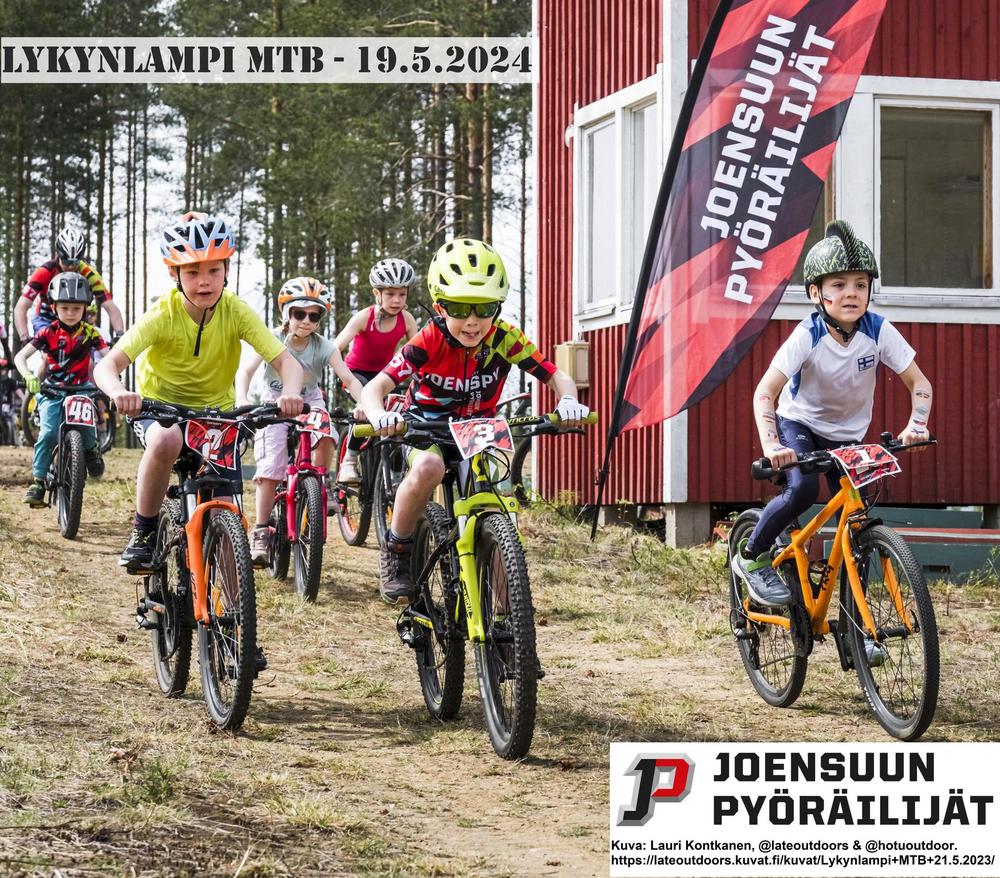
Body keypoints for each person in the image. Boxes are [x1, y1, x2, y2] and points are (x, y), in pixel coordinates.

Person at [360, 238, 589, 605]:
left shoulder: (505, 338)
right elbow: (375, 388)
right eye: (459, 307)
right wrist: (379, 415)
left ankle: (509, 617)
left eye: (485, 308)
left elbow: (556, 376)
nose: (472, 320)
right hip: (427, 426)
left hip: (479, 429)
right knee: (429, 468)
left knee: (498, 499)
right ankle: (397, 548)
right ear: (440, 306)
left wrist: (568, 400)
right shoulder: (429, 339)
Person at [732, 220, 933, 609]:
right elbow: (765, 392)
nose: (851, 293)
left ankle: (857, 623)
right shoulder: (807, 334)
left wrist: (917, 424)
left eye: (860, 284)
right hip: (800, 426)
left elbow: (919, 383)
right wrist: (772, 445)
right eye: (838, 285)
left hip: (848, 435)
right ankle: (752, 555)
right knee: (803, 490)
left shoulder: (878, 331)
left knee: (858, 515)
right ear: (816, 292)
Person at [94, 213, 305, 571]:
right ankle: (144, 531)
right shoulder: (163, 313)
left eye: (213, 270)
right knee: (166, 441)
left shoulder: (236, 310)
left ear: (227, 270)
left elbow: (289, 364)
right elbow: (107, 365)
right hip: (161, 410)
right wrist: (118, 392)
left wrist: (291, 392)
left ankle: (230, 598)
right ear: (174, 274)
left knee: (228, 518)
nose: (204, 281)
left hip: (216, 415)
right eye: (192, 272)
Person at [235, 276, 339, 566]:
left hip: (310, 400)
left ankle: (322, 482)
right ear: (286, 313)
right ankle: (261, 531)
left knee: (326, 432)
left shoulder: (324, 346)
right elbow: (245, 371)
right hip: (274, 401)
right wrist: (242, 399)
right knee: (271, 468)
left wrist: (367, 406)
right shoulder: (271, 339)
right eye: (299, 313)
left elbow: (348, 377)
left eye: (314, 315)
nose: (306, 321)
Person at [13, 272, 108, 506]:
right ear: (54, 307)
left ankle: (92, 450)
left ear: (85, 308)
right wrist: (28, 375)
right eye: (65, 308)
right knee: (47, 433)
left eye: (76, 308)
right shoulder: (47, 333)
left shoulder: (91, 333)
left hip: (82, 390)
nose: (70, 313)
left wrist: (113, 377)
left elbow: (109, 357)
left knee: (87, 431)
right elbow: (20, 357)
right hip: (52, 391)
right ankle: (38, 481)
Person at [329, 257, 419, 483]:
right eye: (390, 294)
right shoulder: (364, 317)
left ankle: (396, 477)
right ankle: (349, 461)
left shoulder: (407, 319)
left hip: (385, 376)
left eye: (402, 294)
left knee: (398, 417)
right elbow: (335, 348)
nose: (397, 300)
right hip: (356, 374)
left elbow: (418, 354)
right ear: (377, 293)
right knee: (365, 409)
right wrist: (344, 375)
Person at [14, 226, 124, 343]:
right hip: (46, 319)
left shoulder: (89, 274)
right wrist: (24, 336)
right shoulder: (44, 272)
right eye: (66, 262)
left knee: (88, 350)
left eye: (75, 262)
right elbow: (21, 306)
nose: (71, 267)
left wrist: (120, 334)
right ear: (59, 255)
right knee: (48, 349)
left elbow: (109, 305)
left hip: (76, 321)